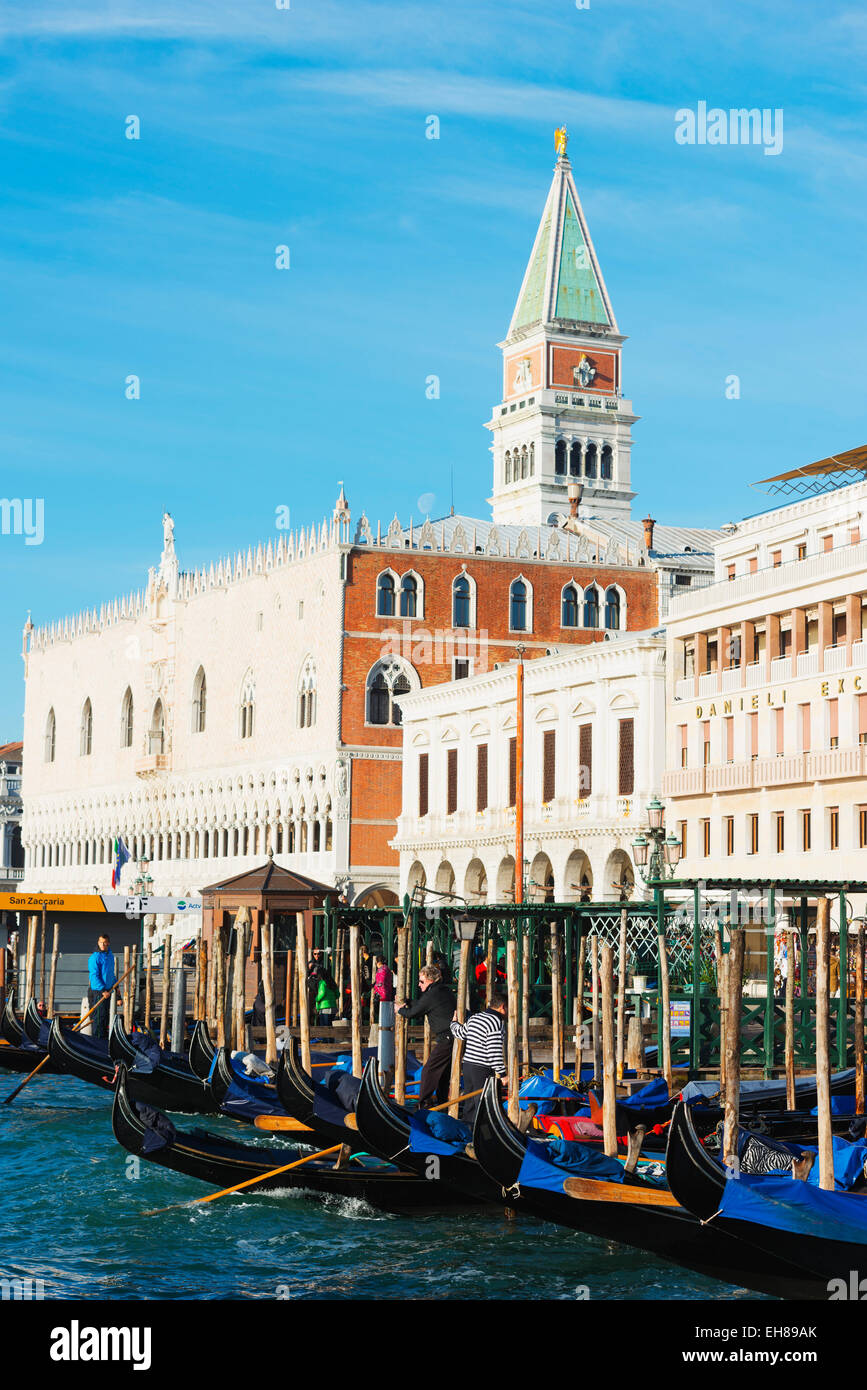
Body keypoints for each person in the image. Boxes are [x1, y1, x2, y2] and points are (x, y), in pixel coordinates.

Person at [398, 965, 456, 1107]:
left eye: (421, 981)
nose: (419, 984)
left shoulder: (432, 994)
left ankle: (423, 1103)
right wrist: (410, 1002)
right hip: (453, 1036)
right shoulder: (443, 990)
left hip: (447, 1037)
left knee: (428, 1070)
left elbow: (412, 1013)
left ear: (430, 980)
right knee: (443, 1073)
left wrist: (399, 1010)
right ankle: (443, 1103)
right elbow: (423, 1005)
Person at [450, 989, 508, 1123]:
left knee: (470, 1101)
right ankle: (479, 1130)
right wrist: (503, 1074)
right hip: (482, 1068)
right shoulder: (495, 1022)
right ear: (502, 1007)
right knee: (482, 1101)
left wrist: (453, 1023)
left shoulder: (475, 1018)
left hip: (468, 1066)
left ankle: (468, 1128)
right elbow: (493, 1052)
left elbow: (460, 1033)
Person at [87, 933, 118, 1039]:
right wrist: (102, 990)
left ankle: (103, 1041)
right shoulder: (95, 957)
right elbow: (94, 976)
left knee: (105, 1018)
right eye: (101, 942)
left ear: (108, 943)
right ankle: (97, 1041)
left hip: (108, 991)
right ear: (98, 943)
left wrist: (116, 989)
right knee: (99, 1018)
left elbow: (111, 974)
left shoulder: (110, 955)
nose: (103, 944)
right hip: (98, 992)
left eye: (105, 943)